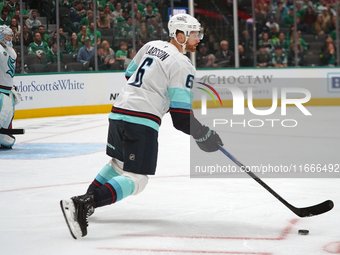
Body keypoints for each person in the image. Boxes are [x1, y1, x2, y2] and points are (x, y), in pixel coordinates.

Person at [60, 13, 223, 239]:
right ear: (179, 35)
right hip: (141, 120)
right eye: (194, 34)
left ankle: (86, 201)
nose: (199, 38)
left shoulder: (151, 45)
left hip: (118, 112)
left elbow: (130, 74)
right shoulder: (182, 64)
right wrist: (204, 134)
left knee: (118, 163)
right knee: (138, 178)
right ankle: (86, 203)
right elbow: (181, 119)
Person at [0, 25, 21, 149]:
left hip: (7, 90)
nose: (10, 37)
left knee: (6, 119)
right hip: (1, 90)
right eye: (7, 35)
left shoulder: (10, 50)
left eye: (10, 35)